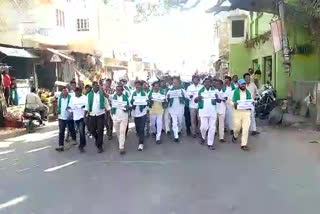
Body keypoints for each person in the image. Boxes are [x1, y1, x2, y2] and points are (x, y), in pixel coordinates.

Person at [86, 81, 110, 153]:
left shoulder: (101, 94)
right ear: (93, 87)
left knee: (100, 130)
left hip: (101, 114)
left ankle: (100, 146)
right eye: (95, 86)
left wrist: (109, 110)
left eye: (98, 86)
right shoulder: (89, 95)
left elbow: (106, 103)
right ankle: (97, 138)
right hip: (92, 115)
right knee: (92, 130)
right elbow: (87, 104)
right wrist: (86, 113)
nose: (97, 87)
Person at [229, 79, 253, 151]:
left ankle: (244, 144)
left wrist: (252, 103)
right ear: (239, 85)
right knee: (237, 128)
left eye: (244, 84)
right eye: (242, 84)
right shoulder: (234, 92)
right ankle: (235, 135)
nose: (243, 85)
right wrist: (234, 103)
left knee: (246, 128)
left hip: (246, 112)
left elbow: (251, 100)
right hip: (237, 112)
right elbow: (229, 101)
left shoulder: (248, 92)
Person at [196, 77, 217, 150]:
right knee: (203, 127)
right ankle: (203, 136)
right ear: (204, 83)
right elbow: (195, 100)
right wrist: (198, 98)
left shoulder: (214, 90)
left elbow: (219, 100)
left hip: (212, 112)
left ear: (211, 83)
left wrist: (217, 98)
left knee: (212, 128)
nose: (207, 84)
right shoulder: (200, 91)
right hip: (203, 111)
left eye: (209, 82)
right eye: (206, 82)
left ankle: (210, 143)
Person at [111, 85, 130, 155]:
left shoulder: (126, 97)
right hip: (115, 117)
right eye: (117, 90)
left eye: (120, 90)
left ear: (122, 90)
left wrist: (127, 107)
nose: (118, 91)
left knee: (122, 132)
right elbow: (106, 96)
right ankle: (121, 142)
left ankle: (121, 147)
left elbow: (129, 107)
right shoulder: (113, 96)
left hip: (124, 117)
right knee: (118, 132)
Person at [56, 87, 76, 152]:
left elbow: (72, 106)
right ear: (62, 92)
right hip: (61, 117)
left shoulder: (71, 98)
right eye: (64, 91)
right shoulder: (60, 98)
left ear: (68, 91)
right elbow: (58, 106)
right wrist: (58, 112)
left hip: (69, 116)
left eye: (66, 91)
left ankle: (74, 139)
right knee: (61, 131)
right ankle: (61, 145)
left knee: (71, 128)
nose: (65, 92)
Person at [131, 80, 149, 151]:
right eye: (136, 85)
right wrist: (131, 102)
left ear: (141, 86)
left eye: (139, 85)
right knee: (138, 129)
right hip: (136, 114)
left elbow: (147, 102)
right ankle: (140, 135)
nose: (137, 86)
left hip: (143, 113)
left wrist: (147, 102)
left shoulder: (144, 94)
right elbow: (130, 102)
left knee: (141, 129)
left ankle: (141, 144)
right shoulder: (133, 93)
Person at [167, 77, 186, 142]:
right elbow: (167, 99)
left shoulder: (182, 90)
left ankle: (179, 129)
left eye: (176, 83)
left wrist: (183, 95)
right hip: (172, 108)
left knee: (180, 121)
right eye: (174, 83)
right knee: (174, 123)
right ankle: (176, 136)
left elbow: (187, 98)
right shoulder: (170, 91)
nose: (175, 84)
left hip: (180, 108)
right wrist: (168, 98)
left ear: (179, 83)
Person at [68, 87, 87, 153]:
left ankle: (81, 145)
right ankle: (83, 143)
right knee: (80, 131)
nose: (77, 93)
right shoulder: (72, 98)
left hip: (83, 116)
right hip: (75, 116)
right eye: (76, 92)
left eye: (79, 92)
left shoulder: (84, 97)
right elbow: (69, 106)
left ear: (81, 92)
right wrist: (70, 109)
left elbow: (87, 106)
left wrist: (83, 107)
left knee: (81, 130)